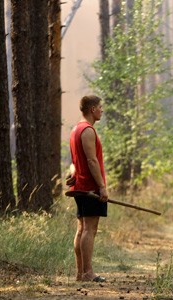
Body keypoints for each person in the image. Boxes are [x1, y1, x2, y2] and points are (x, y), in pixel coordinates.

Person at [67, 95, 109, 282]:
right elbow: (91, 161)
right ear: (92, 109)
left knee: (82, 228)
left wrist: (72, 173)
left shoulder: (75, 129)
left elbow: (74, 162)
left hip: (80, 186)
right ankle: (88, 273)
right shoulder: (88, 131)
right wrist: (101, 187)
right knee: (89, 230)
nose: (102, 110)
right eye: (100, 107)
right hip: (90, 188)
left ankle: (80, 273)